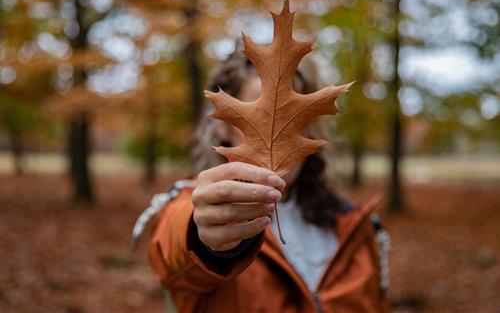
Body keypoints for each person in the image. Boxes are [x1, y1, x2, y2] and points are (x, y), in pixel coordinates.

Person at [134, 46, 390, 313]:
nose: (282, 135)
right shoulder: (190, 208)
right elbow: (172, 251)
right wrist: (208, 239)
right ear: (222, 126)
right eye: (264, 118)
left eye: (296, 118)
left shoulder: (355, 228)